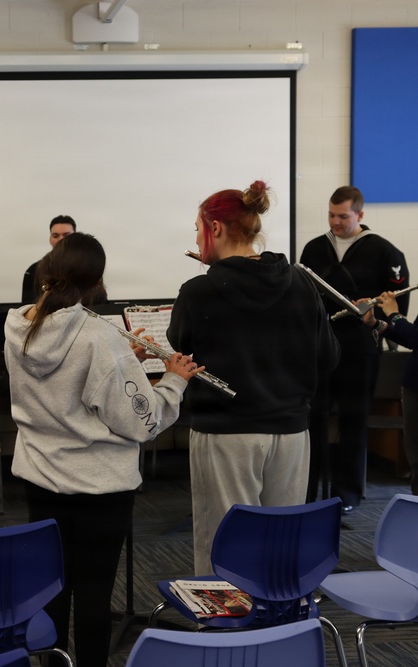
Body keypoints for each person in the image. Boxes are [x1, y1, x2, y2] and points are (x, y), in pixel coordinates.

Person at [4, 232, 200, 667]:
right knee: (94, 595)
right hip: (100, 489)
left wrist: (122, 362)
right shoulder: (99, 337)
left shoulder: (16, 326)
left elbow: (65, 383)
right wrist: (174, 381)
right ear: (97, 281)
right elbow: (142, 422)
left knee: (52, 590)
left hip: (40, 478)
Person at [168, 181, 340, 575]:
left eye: (197, 228)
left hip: (226, 434)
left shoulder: (199, 291)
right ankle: (277, 612)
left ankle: (226, 617)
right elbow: (328, 357)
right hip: (291, 433)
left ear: (215, 228)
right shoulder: (301, 282)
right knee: (282, 542)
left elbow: (180, 342)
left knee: (225, 545)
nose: (196, 238)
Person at [299, 185, 409, 512]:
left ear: (360, 214)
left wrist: (375, 315)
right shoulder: (314, 249)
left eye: (343, 216)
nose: (336, 222)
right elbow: (302, 296)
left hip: (360, 348)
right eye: (331, 215)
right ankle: (305, 489)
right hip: (319, 347)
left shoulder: (385, 252)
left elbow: (397, 309)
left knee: (353, 419)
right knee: (312, 418)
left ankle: (346, 494)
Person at [364, 291, 418, 494]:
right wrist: (375, 324)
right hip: (413, 387)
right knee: (415, 460)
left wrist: (394, 314)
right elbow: (412, 339)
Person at [21, 214, 76, 305]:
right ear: (50, 239)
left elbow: (98, 304)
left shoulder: (89, 267)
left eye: (66, 235)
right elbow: (27, 307)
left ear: (76, 238)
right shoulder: (34, 270)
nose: (61, 240)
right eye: (55, 236)